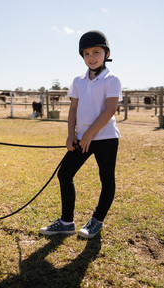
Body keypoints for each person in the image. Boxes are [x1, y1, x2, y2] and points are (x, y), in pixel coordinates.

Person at [40, 30, 122, 239]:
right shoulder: (78, 80)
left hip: (105, 138)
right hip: (80, 138)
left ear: (106, 53)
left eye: (96, 52)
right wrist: (71, 136)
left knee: (106, 179)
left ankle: (97, 220)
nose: (92, 57)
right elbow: (73, 109)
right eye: (87, 54)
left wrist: (89, 135)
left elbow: (109, 111)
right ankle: (67, 222)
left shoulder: (112, 80)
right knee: (65, 174)